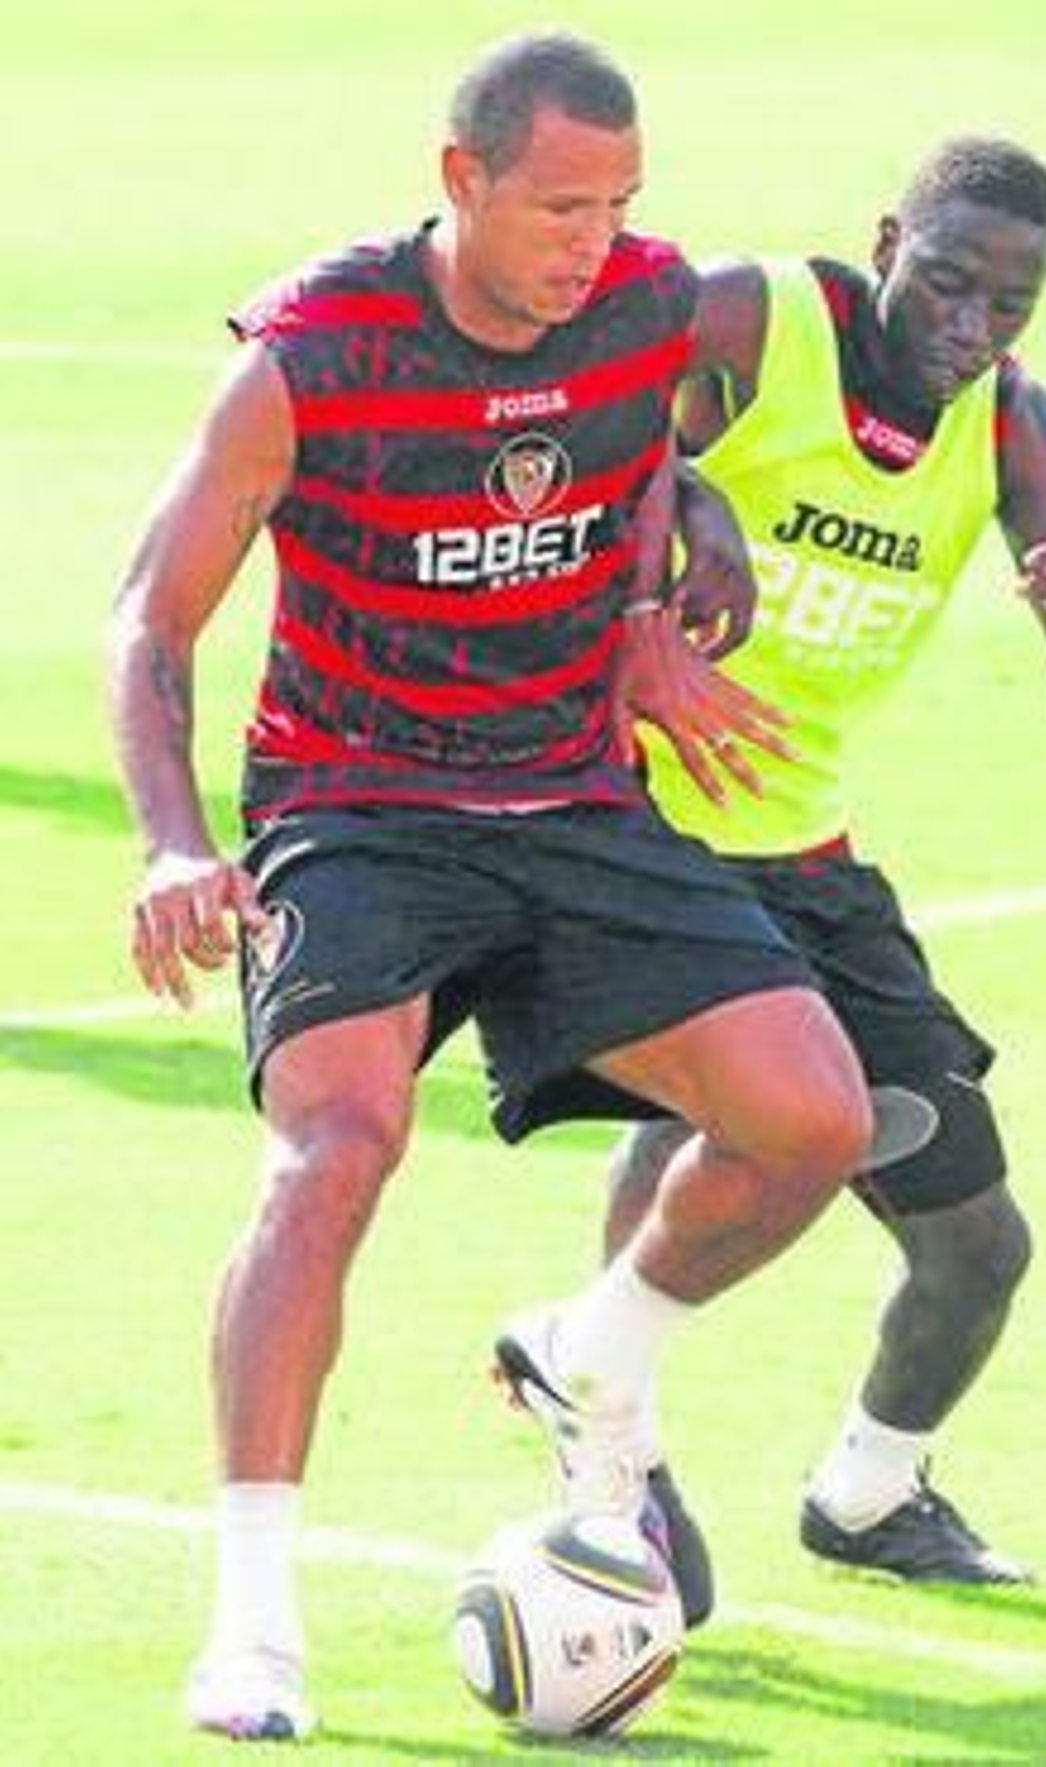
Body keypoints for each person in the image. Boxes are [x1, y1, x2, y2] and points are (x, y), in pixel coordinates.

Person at [107, 34, 880, 1743]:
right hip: (357, 807)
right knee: (339, 1151)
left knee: (816, 1116)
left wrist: (652, 606)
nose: (592, 240)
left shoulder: (648, 305)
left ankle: (593, 1353)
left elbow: (644, 454)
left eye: (618, 204)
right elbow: (149, 618)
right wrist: (174, 840)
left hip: (572, 801)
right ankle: (255, 1619)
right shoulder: (312, 354)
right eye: (557, 206)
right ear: (458, 182)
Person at [471, 135, 1046, 1609]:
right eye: (949, 283)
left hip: (809, 856)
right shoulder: (763, 322)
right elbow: (558, 405)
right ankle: (613, 1462)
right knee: (704, 1124)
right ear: (888, 235)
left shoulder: (1020, 437)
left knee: (978, 1249)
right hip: (637, 828)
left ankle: (865, 1494)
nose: (969, 329)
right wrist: (691, 498)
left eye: (1008, 308)